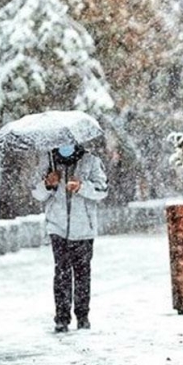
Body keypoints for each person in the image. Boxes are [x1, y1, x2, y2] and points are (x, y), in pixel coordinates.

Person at [31, 143, 108, 333]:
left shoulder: (91, 161)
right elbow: (36, 193)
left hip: (84, 229)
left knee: (82, 274)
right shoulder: (48, 161)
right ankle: (62, 318)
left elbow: (102, 190)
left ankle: (82, 316)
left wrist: (82, 186)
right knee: (62, 273)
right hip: (57, 227)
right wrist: (48, 184)